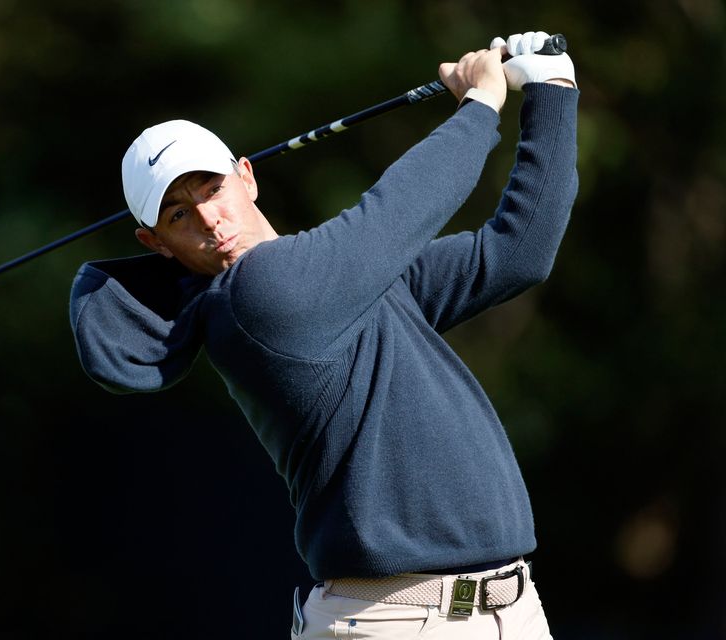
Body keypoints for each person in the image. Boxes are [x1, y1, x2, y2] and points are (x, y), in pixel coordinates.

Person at [69, 30, 578, 640]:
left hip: (508, 611)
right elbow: (397, 210)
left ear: (246, 177)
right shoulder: (257, 296)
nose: (209, 218)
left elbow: (516, 253)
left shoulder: (339, 283)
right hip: (397, 623)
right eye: (178, 214)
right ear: (155, 244)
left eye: (211, 189)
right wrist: (480, 104)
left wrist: (553, 90)